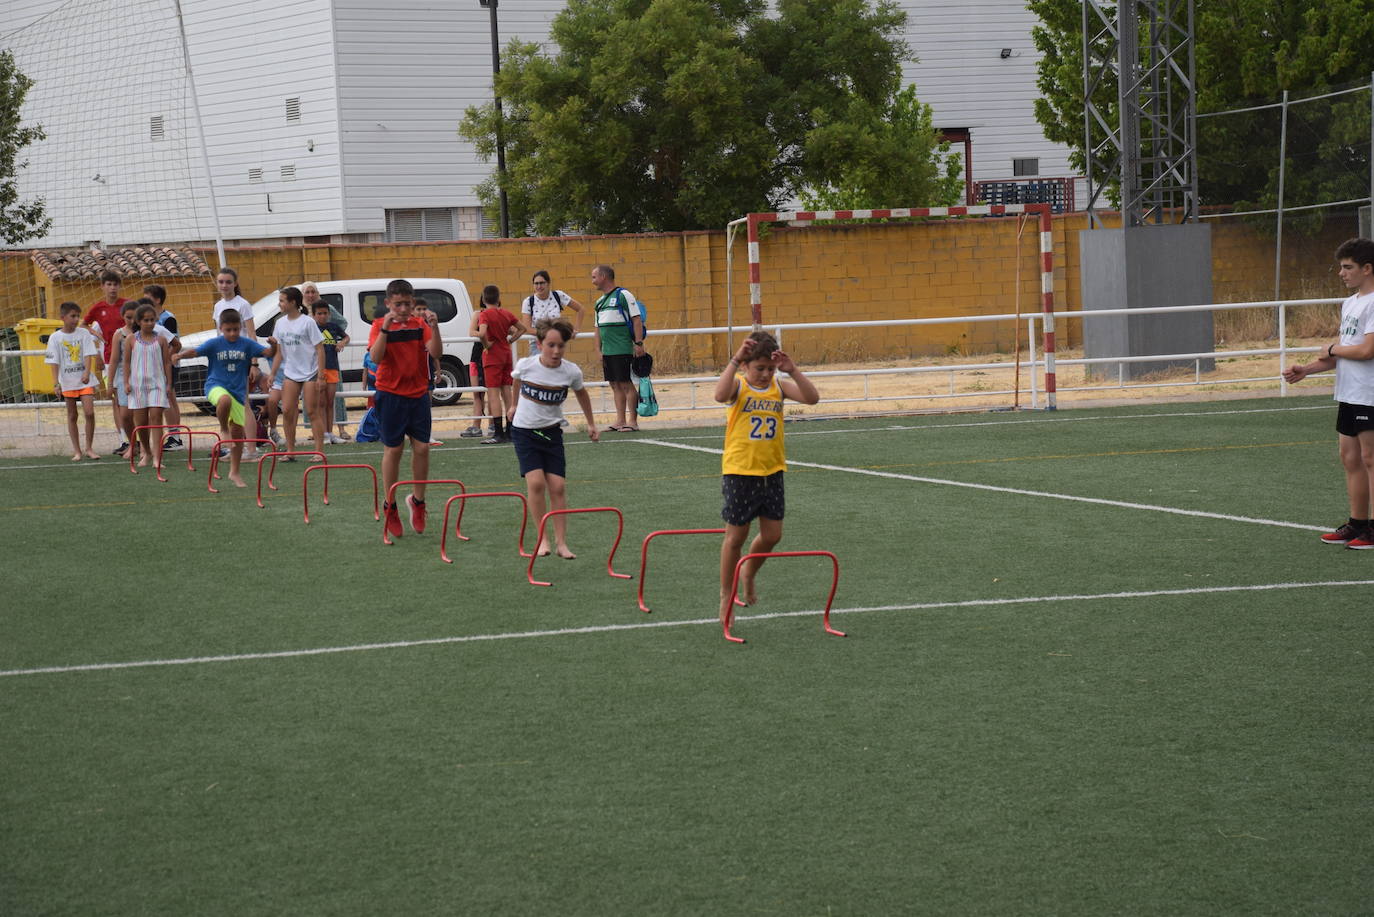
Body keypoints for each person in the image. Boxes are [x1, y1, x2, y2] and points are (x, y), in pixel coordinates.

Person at [713, 331, 820, 625]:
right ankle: (726, 595)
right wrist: (735, 360)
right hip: (740, 471)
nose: (764, 374)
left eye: (769, 369)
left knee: (773, 535)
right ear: (747, 366)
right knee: (736, 536)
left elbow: (813, 399)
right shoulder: (739, 386)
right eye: (759, 368)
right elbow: (720, 395)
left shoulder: (779, 387)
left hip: (772, 472)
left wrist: (792, 370)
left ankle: (748, 571)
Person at [1282, 236, 1374, 549]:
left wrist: (1332, 347)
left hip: (1370, 394)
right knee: (1350, 459)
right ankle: (1357, 523)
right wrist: (1307, 369)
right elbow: (1344, 353)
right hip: (1349, 393)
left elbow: (1367, 350)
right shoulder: (1350, 303)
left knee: (1371, 458)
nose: (1341, 273)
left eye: (1347, 267)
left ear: (1367, 268)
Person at [509, 318, 600, 558]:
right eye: (551, 345)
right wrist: (513, 405)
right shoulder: (527, 365)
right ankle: (543, 540)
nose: (556, 351)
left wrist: (591, 423)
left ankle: (561, 543)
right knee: (536, 483)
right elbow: (516, 381)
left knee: (558, 487)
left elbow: (582, 394)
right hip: (525, 431)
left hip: (551, 433)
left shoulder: (570, 371)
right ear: (539, 344)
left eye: (560, 346)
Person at [369, 278, 443, 538]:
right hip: (390, 395)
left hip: (418, 393)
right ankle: (390, 506)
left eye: (407, 304)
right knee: (395, 449)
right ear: (388, 304)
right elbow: (376, 358)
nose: (402, 309)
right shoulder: (379, 325)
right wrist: (386, 330)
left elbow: (435, 351)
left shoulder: (419, 323)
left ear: (413, 303)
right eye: (397, 304)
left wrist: (435, 327)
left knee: (422, 447)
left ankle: (418, 501)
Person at [173, 309, 276, 488]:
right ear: (221, 329)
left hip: (237, 392)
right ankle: (222, 427)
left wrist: (274, 345)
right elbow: (195, 352)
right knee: (224, 401)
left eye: (236, 329)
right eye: (228, 330)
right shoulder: (215, 343)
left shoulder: (246, 344)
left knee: (237, 436)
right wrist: (180, 355)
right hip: (215, 386)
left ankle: (234, 472)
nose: (232, 333)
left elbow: (267, 353)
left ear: (240, 328)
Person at [267, 286, 326, 458]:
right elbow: (279, 352)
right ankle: (291, 451)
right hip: (290, 373)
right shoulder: (280, 323)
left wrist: (321, 376)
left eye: (282, 301)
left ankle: (319, 452)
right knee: (286, 410)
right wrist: (272, 373)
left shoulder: (308, 322)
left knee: (312, 411)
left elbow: (320, 350)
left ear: (293, 303)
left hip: (310, 372)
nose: (280, 304)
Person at [590, 264, 646, 432]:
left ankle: (632, 421)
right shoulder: (599, 302)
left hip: (622, 348)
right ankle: (620, 420)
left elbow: (637, 320)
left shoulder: (624, 295)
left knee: (626, 384)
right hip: (608, 351)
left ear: (603, 277)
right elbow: (597, 328)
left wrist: (638, 343)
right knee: (614, 384)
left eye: (594, 277)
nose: (592, 281)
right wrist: (598, 350)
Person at [213, 266, 264, 452]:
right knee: (227, 403)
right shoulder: (218, 306)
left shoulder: (242, 304)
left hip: (241, 359)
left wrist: (254, 363)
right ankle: (233, 446)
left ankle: (251, 447)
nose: (224, 285)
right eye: (221, 282)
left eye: (228, 282)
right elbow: (219, 336)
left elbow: (251, 335)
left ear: (235, 283)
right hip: (223, 361)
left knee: (243, 403)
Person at [45, 301, 101, 461]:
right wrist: (56, 383)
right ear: (63, 317)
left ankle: (89, 448)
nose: (76, 319)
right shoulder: (55, 337)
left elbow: (88, 354)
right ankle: (77, 451)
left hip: (85, 381)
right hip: (67, 382)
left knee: (89, 412)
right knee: (72, 415)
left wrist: (86, 372)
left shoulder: (83, 334)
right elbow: (53, 362)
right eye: (72, 316)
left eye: (78, 316)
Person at [122, 303, 174, 468]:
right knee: (142, 422)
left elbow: (167, 363)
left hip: (157, 384)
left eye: (152, 320)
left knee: (156, 417)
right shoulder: (131, 339)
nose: (150, 323)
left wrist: (168, 383)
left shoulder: (161, 340)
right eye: (146, 320)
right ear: (139, 321)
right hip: (137, 385)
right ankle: (147, 451)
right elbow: (126, 362)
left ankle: (158, 458)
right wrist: (126, 382)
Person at [475, 284, 527, 445]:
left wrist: (486, 344)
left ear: (484, 299)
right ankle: (510, 430)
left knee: (493, 393)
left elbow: (482, 333)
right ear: (498, 299)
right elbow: (522, 329)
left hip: (492, 356)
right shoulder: (506, 313)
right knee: (506, 390)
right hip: (506, 353)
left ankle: (498, 432)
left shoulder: (485, 314)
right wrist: (511, 340)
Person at [82, 269, 126, 450]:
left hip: (130, 359)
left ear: (119, 286)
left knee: (130, 400)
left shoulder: (128, 305)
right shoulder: (98, 308)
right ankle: (124, 440)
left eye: (115, 284)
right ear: (102, 287)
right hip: (109, 360)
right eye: (109, 284)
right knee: (115, 399)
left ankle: (136, 438)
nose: (112, 288)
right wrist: (97, 350)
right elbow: (84, 324)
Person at [302, 281, 351, 440]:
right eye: (307, 292)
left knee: (332, 400)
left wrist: (339, 340)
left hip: (331, 364)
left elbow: (343, 325)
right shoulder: (301, 312)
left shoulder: (329, 313)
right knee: (317, 401)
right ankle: (318, 431)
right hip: (313, 367)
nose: (310, 295)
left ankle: (337, 429)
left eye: (313, 291)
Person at [145, 284, 184, 450]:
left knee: (168, 399)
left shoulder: (167, 318)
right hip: (158, 365)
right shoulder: (148, 318)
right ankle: (175, 436)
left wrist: (163, 360)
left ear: (157, 299)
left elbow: (172, 344)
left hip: (167, 365)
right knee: (170, 399)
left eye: (147, 298)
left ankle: (175, 437)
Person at [105, 300, 142, 459]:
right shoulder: (119, 334)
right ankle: (132, 444)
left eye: (135, 317)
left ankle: (145, 446)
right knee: (125, 415)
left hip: (141, 377)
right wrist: (110, 383)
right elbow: (114, 360)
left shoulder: (145, 333)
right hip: (123, 377)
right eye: (128, 317)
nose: (132, 321)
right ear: (123, 316)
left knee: (142, 414)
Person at [311, 300, 349, 444]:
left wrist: (342, 342)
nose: (322, 316)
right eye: (319, 313)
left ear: (329, 314)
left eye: (325, 313)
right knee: (320, 402)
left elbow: (346, 336)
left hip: (332, 367)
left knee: (329, 402)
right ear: (314, 315)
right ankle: (322, 435)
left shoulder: (333, 327)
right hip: (317, 369)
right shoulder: (311, 327)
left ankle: (330, 433)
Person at [520, 270, 583, 356]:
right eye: (536, 283)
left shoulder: (558, 295)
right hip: (537, 345)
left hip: (556, 344)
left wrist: (576, 329)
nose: (539, 286)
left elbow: (580, 309)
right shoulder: (528, 301)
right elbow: (528, 328)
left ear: (548, 283)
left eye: (542, 283)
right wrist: (549, 333)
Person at [461, 310, 489, 439]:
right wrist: (486, 337)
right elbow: (472, 332)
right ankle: (480, 426)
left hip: (486, 358)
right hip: (479, 357)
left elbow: (472, 331)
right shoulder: (479, 314)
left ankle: (486, 425)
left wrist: (487, 338)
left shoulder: (496, 314)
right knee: (480, 394)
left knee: (488, 394)